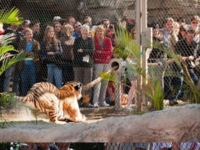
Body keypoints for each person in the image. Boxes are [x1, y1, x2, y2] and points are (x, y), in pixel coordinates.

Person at [93, 25, 113, 107]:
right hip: (97, 63)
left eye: (101, 31)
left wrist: (101, 52)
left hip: (107, 63)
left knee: (105, 82)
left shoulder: (108, 40)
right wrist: (103, 53)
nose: (100, 33)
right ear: (96, 33)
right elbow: (94, 52)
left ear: (104, 32)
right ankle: (95, 101)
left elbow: (109, 52)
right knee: (98, 82)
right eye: (98, 31)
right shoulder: (93, 40)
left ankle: (102, 101)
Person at [73, 24, 94, 102]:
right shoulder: (77, 40)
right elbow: (75, 51)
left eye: (86, 30)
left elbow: (92, 51)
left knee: (87, 83)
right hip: (78, 64)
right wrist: (86, 51)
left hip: (88, 65)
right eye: (83, 30)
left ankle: (86, 101)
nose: (85, 32)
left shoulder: (90, 40)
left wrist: (83, 50)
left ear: (89, 31)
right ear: (81, 31)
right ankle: (77, 100)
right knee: (78, 83)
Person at [17, 28, 40, 96]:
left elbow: (36, 54)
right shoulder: (22, 42)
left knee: (32, 82)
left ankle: (32, 97)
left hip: (33, 65)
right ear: (25, 35)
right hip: (23, 65)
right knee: (24, 82)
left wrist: (25, 52)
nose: (30, 36)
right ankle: (25, 97)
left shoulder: (36, 43)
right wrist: (30, 53)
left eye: (31, 34)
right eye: (28, 34)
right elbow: (19, 52)